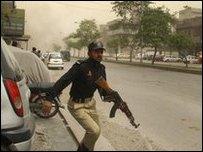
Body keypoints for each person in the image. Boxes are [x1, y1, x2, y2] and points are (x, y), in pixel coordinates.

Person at [48, 40, 118, 151]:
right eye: (96, 51)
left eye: (101, 52)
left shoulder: (101, 69)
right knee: (93, 131)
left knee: (97, 131)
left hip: (90, 104)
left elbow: (103, 92)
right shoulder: (80, 67)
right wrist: (49, 98)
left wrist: (114, 97)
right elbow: (64, 81)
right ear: (89, 53)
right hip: (76, 105)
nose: (99, 54)